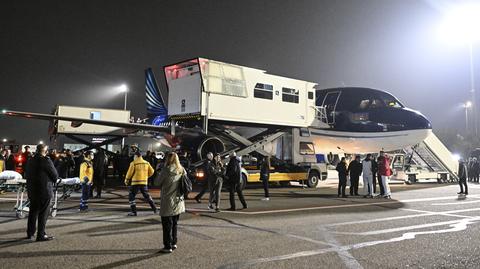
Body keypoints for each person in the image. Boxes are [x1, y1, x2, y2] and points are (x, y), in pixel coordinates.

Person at [25, 144, 58, 241]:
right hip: (44, 190)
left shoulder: (30, 160)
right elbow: (55, 175)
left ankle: (30, 233)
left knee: (33, 212)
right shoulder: (46, 160)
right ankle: (41, 234)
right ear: (45, 151)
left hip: (32, 190)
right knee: (43, 213)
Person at [157, 152, 186, 253]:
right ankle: (174, 243)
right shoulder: (182, 169)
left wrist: (159, 172)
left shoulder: (166, 170)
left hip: (168, 200)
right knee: (174, 223)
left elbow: (157, 182)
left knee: (166, 225)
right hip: (178, 200)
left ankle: (167, 246)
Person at [124, 151, 157, 216]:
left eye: (134, 156)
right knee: (147, 196)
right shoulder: (146, 163)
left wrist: (126, 180)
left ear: (136, 156)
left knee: (131, 196)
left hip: (135, 183)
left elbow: (129, 173)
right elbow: (152, 171)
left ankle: (134, 211)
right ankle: (154, 208)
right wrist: (146, 176)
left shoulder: (133, 163)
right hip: (144, 182)